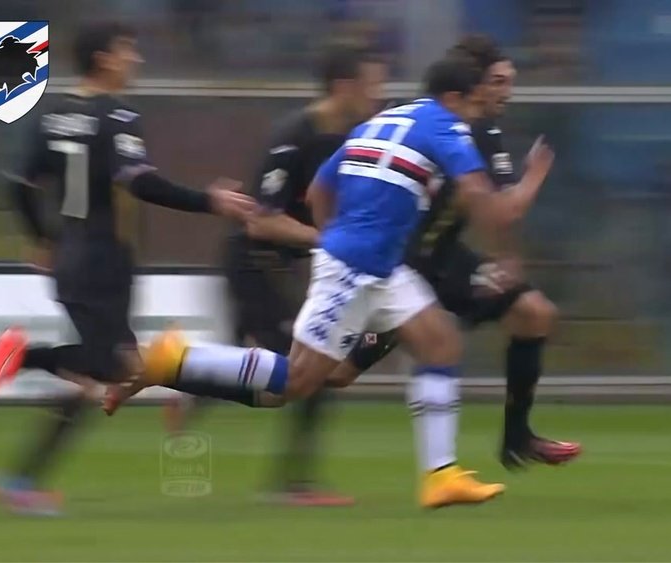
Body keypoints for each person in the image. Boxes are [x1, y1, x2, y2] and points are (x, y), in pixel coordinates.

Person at [124, 54, 555, 508]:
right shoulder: (446, 127)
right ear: (453, 99)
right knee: (297, 381)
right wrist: (527, 192)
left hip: (380, 264)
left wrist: (334, 236)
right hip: (359, 265)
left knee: (440, 343)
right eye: (471, 105)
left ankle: (441, 475)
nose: (474, 116)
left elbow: (318, 192)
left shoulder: (384, 120)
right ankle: (176, 360)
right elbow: (488, 205)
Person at [0, 21, 255, 516]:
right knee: (111, 366)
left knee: (101, 378)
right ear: (105, 59)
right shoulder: (118, 116)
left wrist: (42, 239)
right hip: (103, 261)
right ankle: (22, 356)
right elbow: (142, 183)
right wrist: (210, 201)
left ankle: (21, 480)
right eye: (129, 50)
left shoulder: (54, 113)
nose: (137, 60)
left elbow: (18, 184)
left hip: (71, 257)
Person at [329, 35, 581, 470]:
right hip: (401, 267)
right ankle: (214, 376)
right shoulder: (462, 127)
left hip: (444, 259)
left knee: (533, 313)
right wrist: (536, 175)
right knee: (335, 372)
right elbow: (506, 209)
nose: (506, 91)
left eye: (510, 81)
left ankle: (516, 438)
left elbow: (491, 212)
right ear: (474, 85)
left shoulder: (469, 125)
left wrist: (505, 258)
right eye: (498, 81)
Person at [165, 43, 387, 507]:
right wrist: (327, 241)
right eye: (372, 86)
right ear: (344, 87)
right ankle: (294, 484)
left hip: (280, 267)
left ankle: (191, 384)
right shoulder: (294, 135)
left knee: (269, 367)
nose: (379, 95)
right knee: (310, 369)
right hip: (252, 264)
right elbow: (261, 220)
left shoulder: (353, 139)